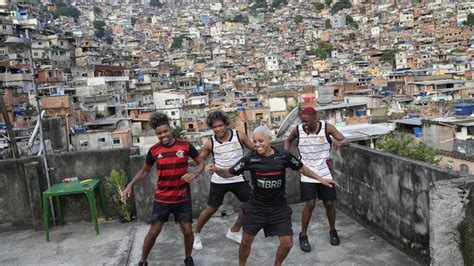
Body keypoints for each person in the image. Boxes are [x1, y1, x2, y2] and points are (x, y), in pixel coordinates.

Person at [206, 126, 337, 266]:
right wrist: (217, 170)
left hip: (278, 207)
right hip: (256, 207)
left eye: (260, 141)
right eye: (254, 141)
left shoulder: (283, 156)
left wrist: (320, 179)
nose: (257, 145)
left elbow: (302, 168)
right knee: (245, 241)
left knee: (287, 243)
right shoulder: (250, 159)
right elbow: (229, 173)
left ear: (270, 139)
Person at [123, 112, 204, 266]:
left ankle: (188, 258)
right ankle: (143, 261)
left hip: (182, 198)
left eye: (165, 131)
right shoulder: (154, 150)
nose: (163, 135)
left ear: (170, 129)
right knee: (154, 231)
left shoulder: (185, 145)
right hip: (162, 198)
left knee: (187, 231)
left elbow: (201, 162)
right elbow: (144, 171)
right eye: (159, 133)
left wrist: (195, 174)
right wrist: (130, 185)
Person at [283, 107, 350, 252]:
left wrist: (340, 143)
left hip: (324, 172)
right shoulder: (298, 130)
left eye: (307, 121)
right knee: (310, 204)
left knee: (329, 203)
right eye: (303, 121)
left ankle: (333, 231)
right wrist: (286, 154)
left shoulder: (327, 128)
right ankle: (303, 235)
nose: (304, 124)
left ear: (315, 119)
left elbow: (346, 140)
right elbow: (288, 141)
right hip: (306, 172)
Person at [193, 111, 255, 250]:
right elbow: (198, 159)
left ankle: (234, 231)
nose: (218, 129)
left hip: (238, 178)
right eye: (215, 127)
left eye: (221, 125)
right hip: (219, 180)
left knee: (251, 204)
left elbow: (254, 150)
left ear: (226, 124)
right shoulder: (210, 143)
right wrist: (182, 160)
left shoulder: (239, 136)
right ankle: (196, 234)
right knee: (210, 209)